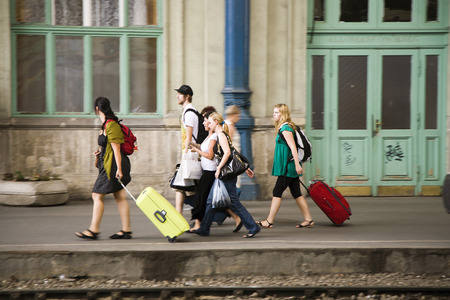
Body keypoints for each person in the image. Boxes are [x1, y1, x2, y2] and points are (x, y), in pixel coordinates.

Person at [192, 112, 260, 238]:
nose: (209, 124)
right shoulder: (221, 135)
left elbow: (228, 153)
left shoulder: (221, 135)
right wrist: (245, 168)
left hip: (226, 174)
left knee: (233, 202)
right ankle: (204, 229)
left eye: (210, 122)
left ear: (216, 122)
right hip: (226, 174)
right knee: (210, 201)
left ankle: (253, 227)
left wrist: (218, 168)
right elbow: (234, 151)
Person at [75, 97, 132, 240]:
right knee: (120, 197)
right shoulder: (106, 124)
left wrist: (119, 169)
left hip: (113, 166)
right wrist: (99, 154)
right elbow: (109, 148)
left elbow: (116, 148)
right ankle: (126, 230)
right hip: (109, 164)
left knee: (96, 195)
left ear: (97, 109)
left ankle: (93, 230)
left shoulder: (111, 125)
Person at [257, 103, 314, 229]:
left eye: (277, 112)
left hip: (288, 167)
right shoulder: (285, 127)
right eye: (274, 112)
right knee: (296, 193)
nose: (274, 114)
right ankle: (308, 219)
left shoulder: (286, 129)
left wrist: (297, 165)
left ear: (283, 114)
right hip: (289, 166)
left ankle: (269, 221)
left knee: (277, 191)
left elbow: (293, 147)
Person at [188, 108, 242, 233]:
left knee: (205, 199)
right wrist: (195, 145)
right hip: (208, 170)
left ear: (213, 122)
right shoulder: (209, 136)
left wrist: (197, 151)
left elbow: (210, 155)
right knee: (212, 199)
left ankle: (200, 226)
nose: (204, 123)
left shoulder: (214, 136)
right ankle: (235, 218)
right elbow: (205, 149)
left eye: (206, 121)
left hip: (211, 171)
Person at [174, 85, 199, 214]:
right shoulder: (187, 112)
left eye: (180, 94)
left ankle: (197, 219)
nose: (177, 96)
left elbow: (189, 138)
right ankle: (195, 219)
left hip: (189, 154)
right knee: (185, 188)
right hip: (189, 154)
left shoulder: (189, 113)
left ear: (187, 96)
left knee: (183, 187)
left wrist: (184, 155)